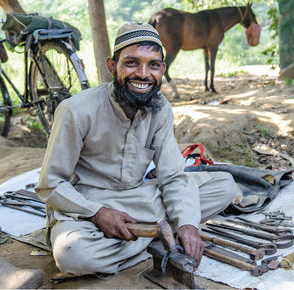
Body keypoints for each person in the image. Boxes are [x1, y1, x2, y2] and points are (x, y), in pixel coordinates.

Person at [35, 22, 239, 276]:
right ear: (112, 66)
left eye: (153, 65)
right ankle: (156, 236)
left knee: (226, 186)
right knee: (73, 255)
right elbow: (50, 185)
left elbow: (173, 175)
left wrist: (187, 225)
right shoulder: (76, 110)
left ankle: (155, 233)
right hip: (88, 204)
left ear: (162, 69)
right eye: (131, 63)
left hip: (138, 198)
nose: (143, 74)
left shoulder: (160, 107)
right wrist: (96, 213)